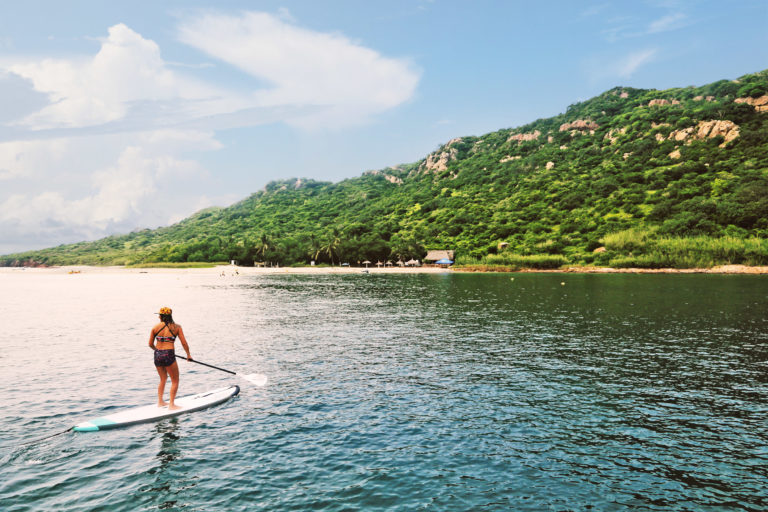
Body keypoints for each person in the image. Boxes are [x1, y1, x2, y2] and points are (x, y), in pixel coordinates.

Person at [148, 307, 192, 409]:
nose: (158, 316)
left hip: (158, 354)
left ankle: (160, 402)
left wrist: (158, 350)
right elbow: (184, 343)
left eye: (159, 315)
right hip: (169, 354)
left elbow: (150, 344)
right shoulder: (177, 327)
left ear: (162, 316)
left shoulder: (155, 327)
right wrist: (188, 355)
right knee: (175, 380)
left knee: (163, 379)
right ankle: (171, 405)